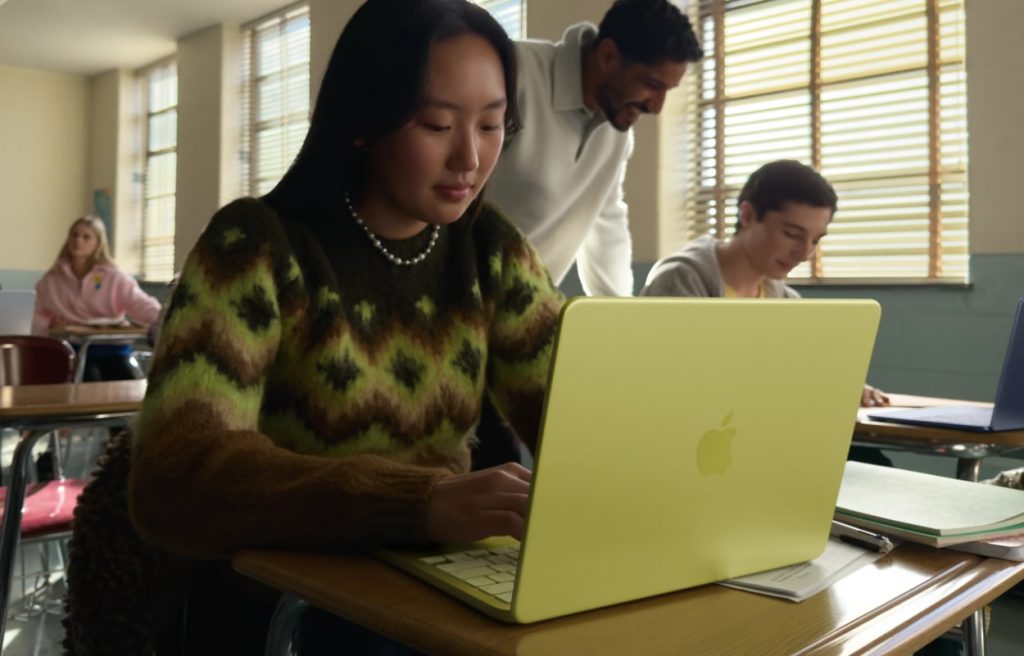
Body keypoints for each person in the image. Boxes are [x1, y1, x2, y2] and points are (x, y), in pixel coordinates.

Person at [126, 0, 563, 652]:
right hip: (286, 607)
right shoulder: (255, 247)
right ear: (364, 120)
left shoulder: (488, 250)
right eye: (437, 124)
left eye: (494, 125)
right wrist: (417, 503)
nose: (470, 158)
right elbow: (178, 477)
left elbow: (575, 410)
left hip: (435, 587)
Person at [486, 0, 704, 296]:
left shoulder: (615, 136)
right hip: (445, 302)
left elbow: (606, 225)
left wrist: (620, 319)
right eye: (652, 83)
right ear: (608, 56)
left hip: (521, 313)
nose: (657, 105)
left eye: (667, 90)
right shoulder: (515, 72)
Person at [640, 160, 889, 409]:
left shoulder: (787, 302)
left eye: (815, 240)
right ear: (747, 215)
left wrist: (842, 386)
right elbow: (681, 388)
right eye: (792, 234)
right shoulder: (679, 282)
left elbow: (799, 375)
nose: (804, 253)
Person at [32, 215, 161, 380]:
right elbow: (37, 312)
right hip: (72, 349)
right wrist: (50, 325)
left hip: (113, 348)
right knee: (88, 382)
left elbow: (139, 302)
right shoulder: (52, 279)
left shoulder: (115, 277)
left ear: (98, 243)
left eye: (86, 237)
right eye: (75, 235)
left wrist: (162, 319)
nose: (78, 241)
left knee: (133, 385)